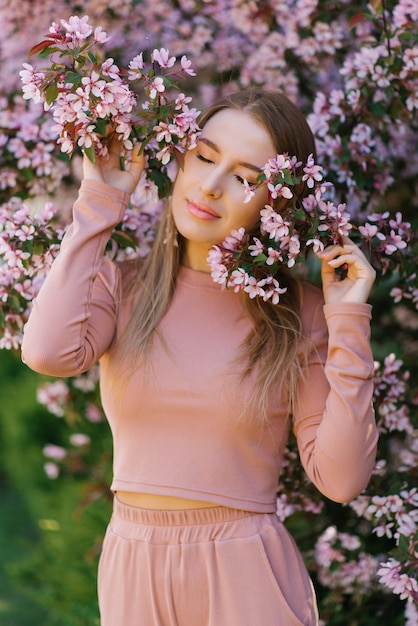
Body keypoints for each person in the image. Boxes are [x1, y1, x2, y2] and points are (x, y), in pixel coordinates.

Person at [21, 89, 378, 626]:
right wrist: (101, 198)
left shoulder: (299, 315)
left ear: (276, 203)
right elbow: (48, 352)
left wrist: (347, 321)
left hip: (245, 570)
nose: (210, 186)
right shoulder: (124, 287)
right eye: (205, 157)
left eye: (245, 177)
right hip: (133, 565)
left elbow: (341, 478)